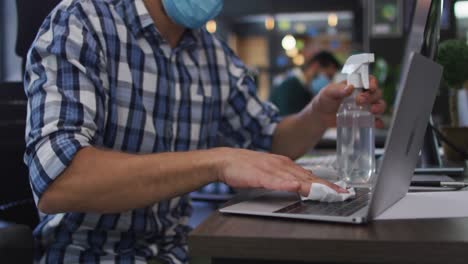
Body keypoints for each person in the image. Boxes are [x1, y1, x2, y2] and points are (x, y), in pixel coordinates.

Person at [23, 0, 386, 263]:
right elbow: (60, 179)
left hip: (181, 251)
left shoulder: (212, 54)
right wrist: (216, 161)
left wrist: (318, 114)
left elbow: (269, 139)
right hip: (90, 254)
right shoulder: (81, 23)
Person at [270, 51, 341, 116]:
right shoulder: (289, 88)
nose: (329, 81)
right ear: (315, 66)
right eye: (329, 76)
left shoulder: (306, 90)